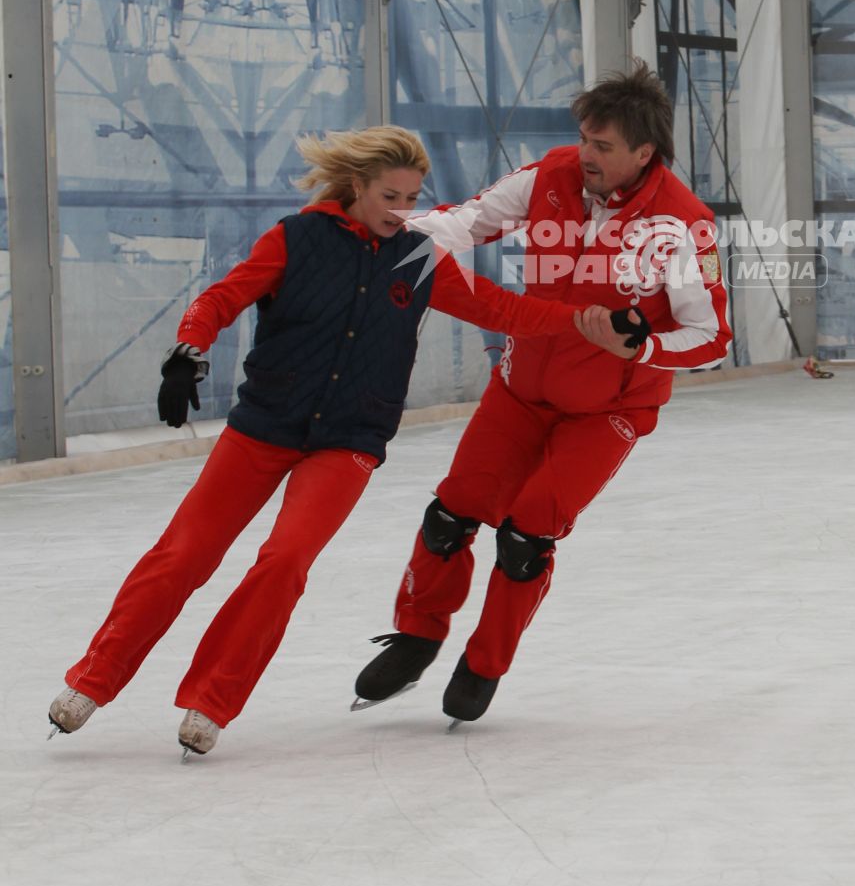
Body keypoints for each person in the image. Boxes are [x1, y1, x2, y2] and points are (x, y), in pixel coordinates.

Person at [47, 125, 627, 756]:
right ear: (357, 186)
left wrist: (584, 323)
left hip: (348, 440)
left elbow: (503, 311)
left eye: (413, 197)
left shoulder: (418, 256)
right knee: (184, 553)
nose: (403, 211)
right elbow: (223, 297)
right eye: (391, 196)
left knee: (285, 561)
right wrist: (187, 352)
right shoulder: (296, 239)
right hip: (264, 427)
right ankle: (94, 682)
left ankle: (211, 702)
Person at [353, 61, 732, 723]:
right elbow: (466, 221)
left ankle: (484, 663)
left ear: (644, 153)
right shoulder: (551, 174)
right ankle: (417, 637)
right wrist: (393, 228)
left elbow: (711, 336)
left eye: (603, 146)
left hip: (608, 410)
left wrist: (641, 348)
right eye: (585, 137)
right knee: (451, 513)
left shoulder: (684, 224)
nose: (585, 154)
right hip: (522, 391)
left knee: (526, 534)